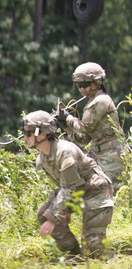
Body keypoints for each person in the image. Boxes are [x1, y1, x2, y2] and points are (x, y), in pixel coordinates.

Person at [21, 110, 114, 261]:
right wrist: (64, 210)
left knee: (94, 250)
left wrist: (54, 218)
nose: (25, 138)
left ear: (42, 134)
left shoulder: (65, 152)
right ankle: (72, 254)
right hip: (76, 191)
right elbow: (63, 184)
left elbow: (68, 187)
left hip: (96, 192)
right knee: (44, 214)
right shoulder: (43, 157)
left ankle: (111, 261)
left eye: (29, 133)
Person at [57, 62, 126, 192]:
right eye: (78, 85)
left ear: (96, 83)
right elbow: (84, 139)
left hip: (112, 157)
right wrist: (66, 126)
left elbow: (85, 127)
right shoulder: (91, 102)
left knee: (114, 194)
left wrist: (67, 118)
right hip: (98, 155)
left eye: (84, 85)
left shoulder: (100, 101)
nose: (81, 89)